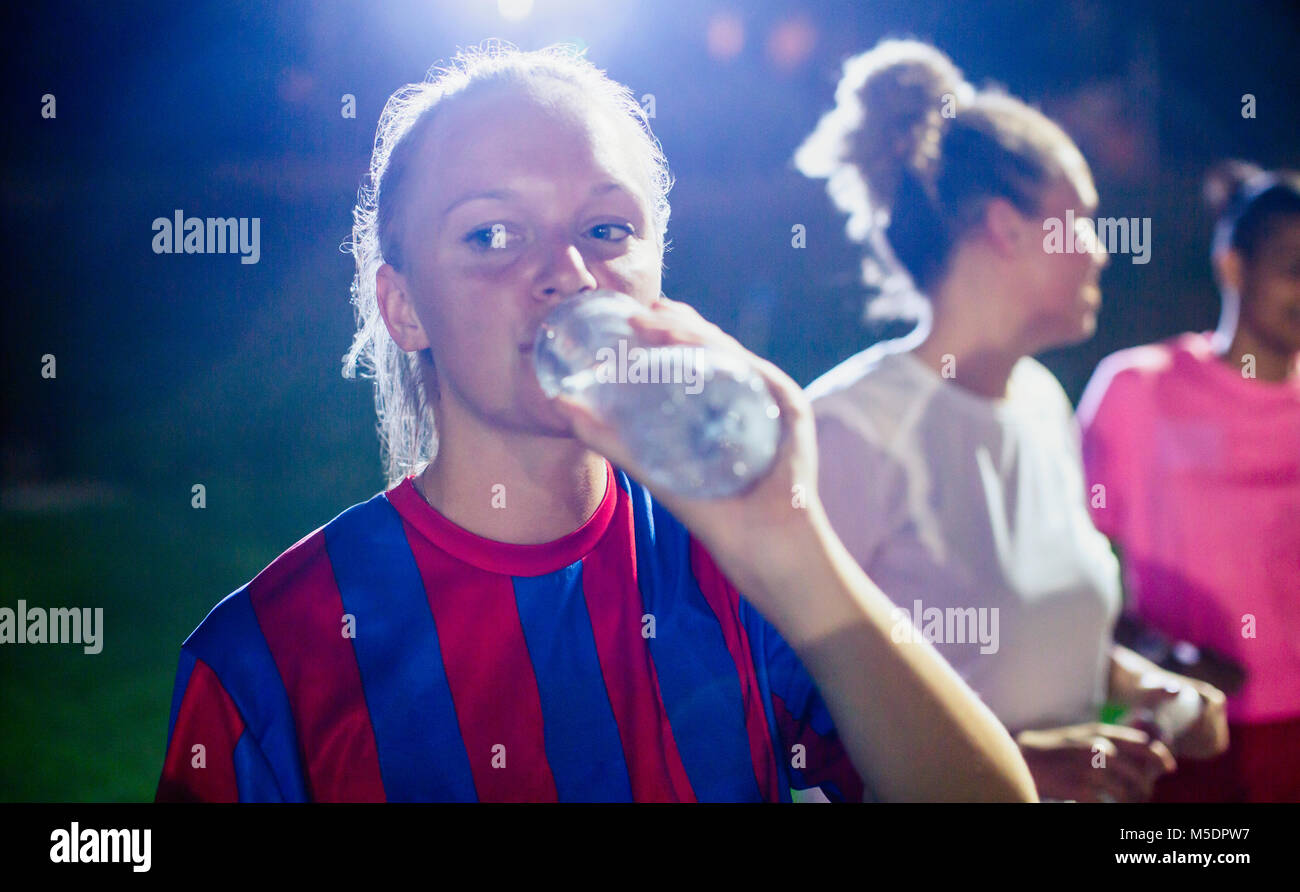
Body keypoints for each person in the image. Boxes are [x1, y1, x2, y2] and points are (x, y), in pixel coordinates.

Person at [155, 43, 1036, 803]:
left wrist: (798, 547)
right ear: (403, 308)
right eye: (492, 236)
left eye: (607, 227)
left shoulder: (735, 565)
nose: (567, 271)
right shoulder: (268, 658)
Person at [797, 39, 1228, 802]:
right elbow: (793, 720)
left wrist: (1156, 690)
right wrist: (1009, 770)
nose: (1100, 253)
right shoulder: (846, 430)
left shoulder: (1038, 401)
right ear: (1006, 227)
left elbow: (1044, 647)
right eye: (1084, 222)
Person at [1077, 162, 1300, 802]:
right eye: (1293, 266)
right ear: (1233, 266)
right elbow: (1056, 569)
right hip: (1187, 739)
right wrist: (1166, 656)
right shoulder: (1139, 390)